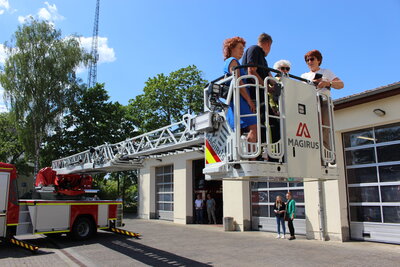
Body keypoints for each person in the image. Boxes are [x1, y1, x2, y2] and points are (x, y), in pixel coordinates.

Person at [301, 50, 344, 152]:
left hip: (324, 103)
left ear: (318, 60)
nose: (309, 62)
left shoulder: (326, 72)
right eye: (307, 60)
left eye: (312, 59)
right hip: (310, 104)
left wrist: (327, 83)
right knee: (311, 129)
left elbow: (341, 84)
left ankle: (326, 154)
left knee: (325, 129)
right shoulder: (304, 76)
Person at [242, 33, 278, 146]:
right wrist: (267, 87)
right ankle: (268, 154)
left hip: (261, 94)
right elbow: (251, 71)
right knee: (268, 124)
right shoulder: (255, 49)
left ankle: (267, 152)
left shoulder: (263, 59)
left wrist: (278, 84)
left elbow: (269, 75)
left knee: (270, 122)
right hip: (254, 95)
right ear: (268, 44)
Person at [223, 36, 258, 145]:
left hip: (237, 100)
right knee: (253, 127)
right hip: (239, 100)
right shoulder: (232, 61)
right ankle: (252, 157)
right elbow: (238, 81)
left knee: (238, 130)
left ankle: (242, 155)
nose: (242, 51)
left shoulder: (235, 63)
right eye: (240, 48)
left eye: (243, 48)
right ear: (231, 48)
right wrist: (249, 100)